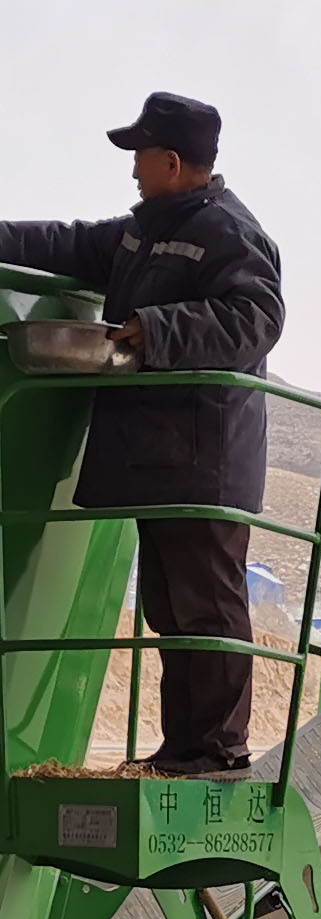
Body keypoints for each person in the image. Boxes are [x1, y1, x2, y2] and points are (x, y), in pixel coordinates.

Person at [0, 92, 283, 776]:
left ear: (173, 161)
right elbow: (66, 241)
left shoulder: (229, 232)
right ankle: (185, 748)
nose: (132, 170)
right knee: (170, 608)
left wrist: (156, 330)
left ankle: (216, 750)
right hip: (159, 460)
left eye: (140, 156)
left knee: (207, 607)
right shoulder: (143, 230)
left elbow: (256, 318)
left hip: (204, 460)